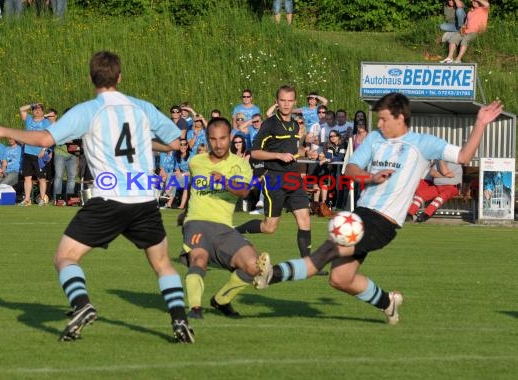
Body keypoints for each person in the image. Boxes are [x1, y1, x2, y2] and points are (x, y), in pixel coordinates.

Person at [0, 51, 194, 344]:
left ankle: (82, 305)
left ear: (91, 78)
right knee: (162, 264)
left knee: (65, 257)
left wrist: (3, 129)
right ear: (120, 77)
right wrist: (145, 142)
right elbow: (173, 142)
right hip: (144, 198)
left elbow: (45, 139)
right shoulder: (142, 107)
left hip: (108, 199)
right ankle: (180, 320)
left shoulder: (88, 111)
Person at [254, 92, 503, 325]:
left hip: (383, 222)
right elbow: (351, 169)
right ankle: (388, 302)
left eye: (384, 119)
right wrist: (370, 177)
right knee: (340, 279)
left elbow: (462, 156)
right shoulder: (374, 138)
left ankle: (272, 275)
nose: (380, 124)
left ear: (400, 117)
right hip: (361, 213)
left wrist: (480, 124)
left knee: (327, 250)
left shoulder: (422, 143)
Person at [182, 117, 272, 319]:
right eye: (213, 139)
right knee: (199, 258)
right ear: (207, 139)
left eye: (223, 138)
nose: (218, 143)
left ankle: (221, 300)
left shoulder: (240, 164)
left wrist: (223, 181)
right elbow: (192, 186)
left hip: (224, 227)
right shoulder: (195, 162)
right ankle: (195, 309)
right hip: (196, 222)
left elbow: (242, 191)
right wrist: (184, 212)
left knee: (253, 266)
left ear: (230, 137)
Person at [235, 85, 312, 259]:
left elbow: (293, 150)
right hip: (274, 179)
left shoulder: (294, 125)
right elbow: (254, 152)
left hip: (293, 178)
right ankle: (234, 232)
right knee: (269, 227)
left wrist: (307, 152)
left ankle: (308, 263)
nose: (286, 104)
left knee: (305, 219)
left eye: (290, 101)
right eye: (283, 101)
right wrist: (278, 155)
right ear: (276, 102)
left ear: (294, 102)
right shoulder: (269, 124)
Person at [18, 102, 52, 206]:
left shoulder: (46, 122)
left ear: (42, 112)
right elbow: (21, 109)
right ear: (32, 111)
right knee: (27, 177)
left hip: (39, 155)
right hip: (28, 152)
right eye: (35, 109)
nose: (37, 111)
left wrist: (44, 150)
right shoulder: (28, 119)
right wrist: (32, 104)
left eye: (39, 109)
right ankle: (27, 200)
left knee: (41, 178)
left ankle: (42, 199)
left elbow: (49, 136)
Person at [49, 109, 78, 205]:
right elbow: (56, 138)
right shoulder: (59, 125)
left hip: (73, 155)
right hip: (60, 154)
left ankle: (69, 199)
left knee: (72, 178)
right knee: (58, 177)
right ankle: (56, 199)